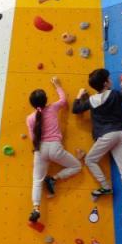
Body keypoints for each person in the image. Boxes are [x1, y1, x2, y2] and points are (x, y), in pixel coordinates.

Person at [72, 69, 122, 218]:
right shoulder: (116, 94)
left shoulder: (91, 100)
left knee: (90, 160)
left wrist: (79, 95)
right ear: (106, 83)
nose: (111, 80)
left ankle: (105, 187)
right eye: (109, 78)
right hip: (121, 133)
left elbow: (75, 109)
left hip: (106, 135)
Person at [26, 77, 82, 222]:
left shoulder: (30, 118)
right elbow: (63, 100)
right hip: (56, 148)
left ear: (32, 105)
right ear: (46, 100)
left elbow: (33, 138)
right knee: (77, 166)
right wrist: (58, 85)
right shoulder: (52, 108)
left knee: (37, 180)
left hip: (41, 150)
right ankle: (54, 178)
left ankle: (36, 208)